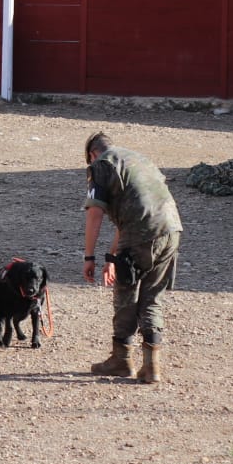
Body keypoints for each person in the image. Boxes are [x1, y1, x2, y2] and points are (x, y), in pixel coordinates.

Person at [83, 132, 184, 384]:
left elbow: (95, 213)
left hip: (140, 234)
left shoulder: (102, 165)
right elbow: (132, 212)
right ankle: (152, 368)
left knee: (125, 297)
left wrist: (89, 256)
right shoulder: (140, 160)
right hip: (171, 231)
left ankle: (121, 360)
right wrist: (111, 256)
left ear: (92, 154)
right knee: (152, 297)